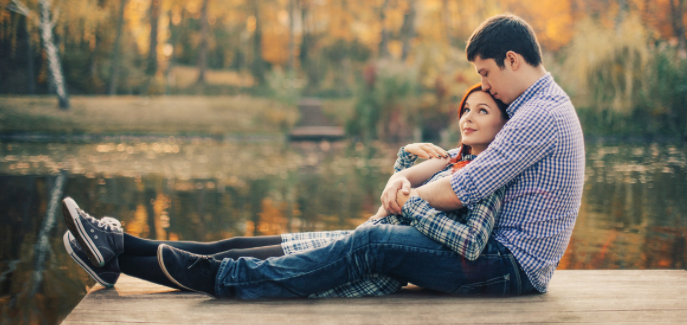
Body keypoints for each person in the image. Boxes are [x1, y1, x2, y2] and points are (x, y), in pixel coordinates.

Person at [67, 14, 585, 299]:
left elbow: (461, 188)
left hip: (505, 267)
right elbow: (459, 162)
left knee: (374, 241)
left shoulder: (540, 115)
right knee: (302, 239)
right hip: (487, 256)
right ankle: (118, 246)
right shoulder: (529, 110)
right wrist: (408, 173)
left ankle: (225, 279)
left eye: (487, 74)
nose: (483, 85)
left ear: (512, 60)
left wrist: (401, 195)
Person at [62, 84, 510, 297]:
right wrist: (405, 163)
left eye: (482, 111)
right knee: (235, 243)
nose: (468, 117)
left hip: (369, 268)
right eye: (465, 108)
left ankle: (116, 254)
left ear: (503, 125)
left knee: (228, 261)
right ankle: (116, 248)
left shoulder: (488, 175)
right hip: (356, 240)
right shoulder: (454, 158)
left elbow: (470, 242)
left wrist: (412, 203)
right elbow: (390, 203)